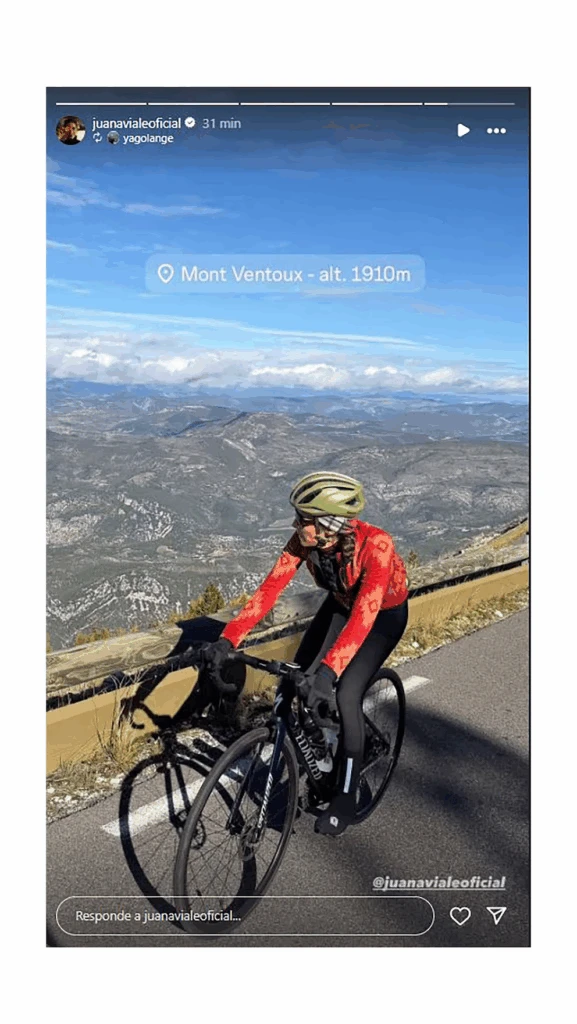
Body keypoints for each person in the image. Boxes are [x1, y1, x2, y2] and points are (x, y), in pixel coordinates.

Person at [209, 471, 409, 837]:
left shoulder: (377, 545)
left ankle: (345, 798)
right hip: (341, 605)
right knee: (291, 682)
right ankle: (320, 744)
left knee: (346, 693)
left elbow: (364, 617)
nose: (295, 524)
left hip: (382, 616)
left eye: (303, 519)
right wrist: (228, 639)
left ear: (328, 525)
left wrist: (329, 673)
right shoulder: (305, 541)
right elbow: (268, 591)